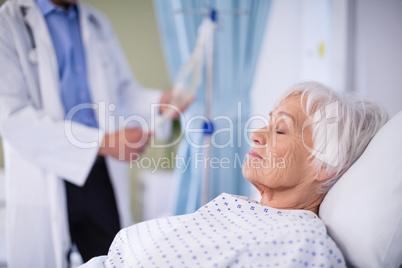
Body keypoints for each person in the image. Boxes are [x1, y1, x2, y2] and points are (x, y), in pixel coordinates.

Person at [82, 81, 388, 267]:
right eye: (267, 122)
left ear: (326, 166)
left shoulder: (300, 245)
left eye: (281, 129)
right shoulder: (242, 208)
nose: (255, 134)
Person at [0, 0, 188, 267]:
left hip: (99, 171)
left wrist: (161, 102)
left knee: (111, 256)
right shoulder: (8, 23)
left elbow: (124, 91)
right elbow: (12, 116)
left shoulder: (95, 22)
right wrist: (102, 142)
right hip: (43, 171)